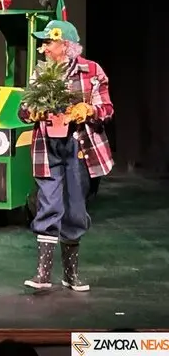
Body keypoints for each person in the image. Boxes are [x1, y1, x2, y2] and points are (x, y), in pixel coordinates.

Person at [21, 19, 113, 292]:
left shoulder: (91, 71)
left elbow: (107, 108)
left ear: (66, 45)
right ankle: (42, 275)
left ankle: (70, 274)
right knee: (48, 204)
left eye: (49, 42)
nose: (44, 48)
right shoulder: (41, 73)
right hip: (47, 147)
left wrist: (89, 110)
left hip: (79, 148)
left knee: (74, 208)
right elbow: (23, 109)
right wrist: (31, 112)